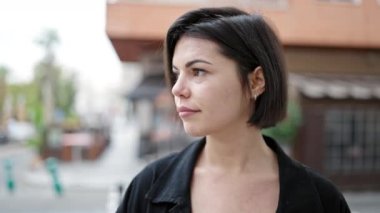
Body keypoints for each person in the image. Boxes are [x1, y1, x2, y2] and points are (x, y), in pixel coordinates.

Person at [116, 7, 351, 213]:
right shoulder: (148, 188)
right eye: (177, 73)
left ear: (256, 81)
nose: (177, 89)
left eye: (198, 71)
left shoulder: (322, 201)